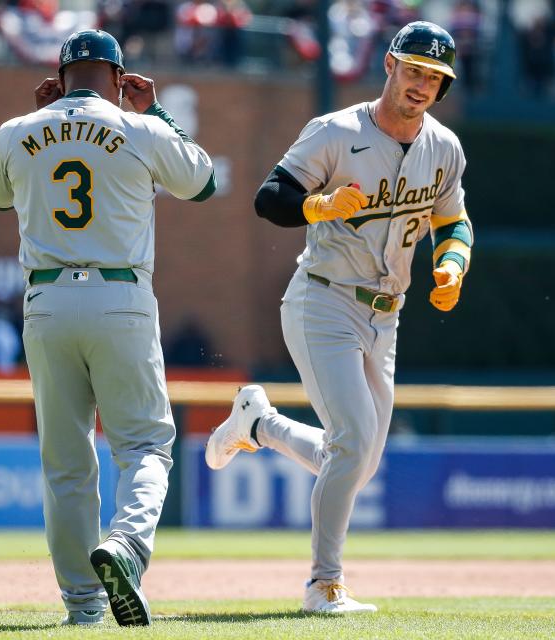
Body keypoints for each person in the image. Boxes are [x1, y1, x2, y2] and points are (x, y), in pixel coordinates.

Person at [206, 21, 472, 613]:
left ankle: (260, 427)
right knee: (352, 444)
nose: (421, 84)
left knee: (359, 461)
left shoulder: (444, 147)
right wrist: (316, 205)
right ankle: (324, 584)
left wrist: (453, 263)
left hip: (387, 315)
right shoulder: (337, 131)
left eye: (434, 77)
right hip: (323, 299)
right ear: (389, 66)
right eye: (413, 70)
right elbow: (268, 198)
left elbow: (452, 222)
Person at [0, 29, 215, 626]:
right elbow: (202, 181)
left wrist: (41, 123)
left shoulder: (16, 130)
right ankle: (128, 546)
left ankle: (82, 607)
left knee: (65, 462)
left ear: (59, 79)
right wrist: (152, 108)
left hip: (47, 302)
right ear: (116, 77)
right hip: (120, 296)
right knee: (146, 447)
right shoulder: (141, 127)